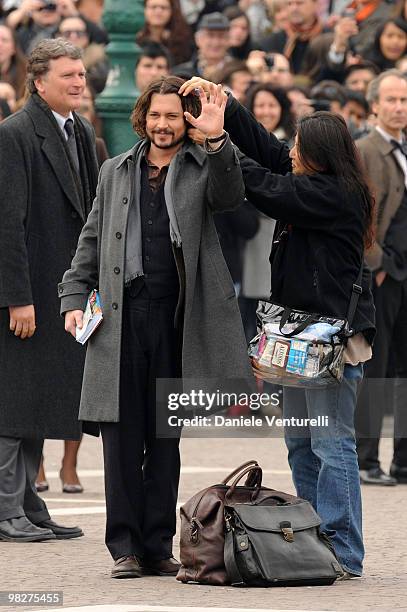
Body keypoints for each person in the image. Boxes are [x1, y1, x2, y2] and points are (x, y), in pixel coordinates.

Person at [180, 76, 376, 579]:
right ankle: (313, 541)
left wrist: (218, 141)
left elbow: (266, 186)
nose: (289, 150)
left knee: (332, 445)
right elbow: (268, 152)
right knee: (300, 443)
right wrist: (225, 103)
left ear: (320, 156)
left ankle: (344, 549)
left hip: (330, 340)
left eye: (298, 147)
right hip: (296, 338)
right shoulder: (316, 179)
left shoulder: (334, 194)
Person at [59, 76, 252, 579]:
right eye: (156, 116)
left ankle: (158, 545)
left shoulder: (203, 166)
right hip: (120, 321)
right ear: (142, 117)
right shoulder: (114, 170)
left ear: (185, 120)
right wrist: (72, 295)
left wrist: (217, 139)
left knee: (166, 440)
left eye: (173, 116)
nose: (163, 125)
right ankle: (123, 546)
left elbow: (232, 196)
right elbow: (91, 240)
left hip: (176, 320)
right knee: (121, 437)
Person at [0, 38, 99, 542]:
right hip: (28, 294)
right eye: (68, 76)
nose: (79, 83)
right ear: (39, 82)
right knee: (14, 403)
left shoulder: (79, 129)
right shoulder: (13, 134)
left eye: (81, 75)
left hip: (60, 292)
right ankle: (4, 510)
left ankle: (28, 505)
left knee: (40, 399)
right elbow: (7, 225)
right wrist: (18, 297)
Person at [355, 70, 407, 485]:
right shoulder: (365, 150)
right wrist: (377, 265)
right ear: (374, 104)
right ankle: (366, 459)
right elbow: (358, 217)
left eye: (405, 100)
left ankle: (403, 461)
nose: (399, 107)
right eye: (391, 99)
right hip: (383, 274)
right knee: (378, 366)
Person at [172, 12, 231, 80]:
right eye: (210, 35)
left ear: (228, 40)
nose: (216, 42)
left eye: (221, 36)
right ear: (198, 39)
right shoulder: (181, 74)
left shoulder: (238, 72)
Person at [136, 0, 193, 66]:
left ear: (172, 11)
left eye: (163, 7)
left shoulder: (183, 39)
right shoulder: (137, 37)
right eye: (153, 7)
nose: (158, 11)